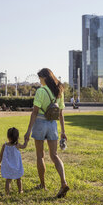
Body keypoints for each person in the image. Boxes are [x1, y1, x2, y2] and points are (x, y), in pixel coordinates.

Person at [24, 68, 69, 198]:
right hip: (52, 125)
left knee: (40, 156)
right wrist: (63, 132)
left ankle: (43, 185)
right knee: (54, 155)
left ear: (44, 77)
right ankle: (63, 182)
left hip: (40, 124)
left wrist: (28, 131)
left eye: (40, 78)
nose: (40, 81)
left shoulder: (41, 91)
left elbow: (35, 112)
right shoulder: (59, 91)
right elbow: (60, 114)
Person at [0, 127, 27, 195]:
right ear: (17, 137)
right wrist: (26, 140)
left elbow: (0, 156)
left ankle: (7, 193)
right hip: (16, 166)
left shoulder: (4, 145)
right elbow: (24, 146)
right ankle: (20, 190)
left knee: (8, 180)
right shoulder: (17, 145)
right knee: (18, 179)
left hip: (8, 167)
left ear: (8, 136)